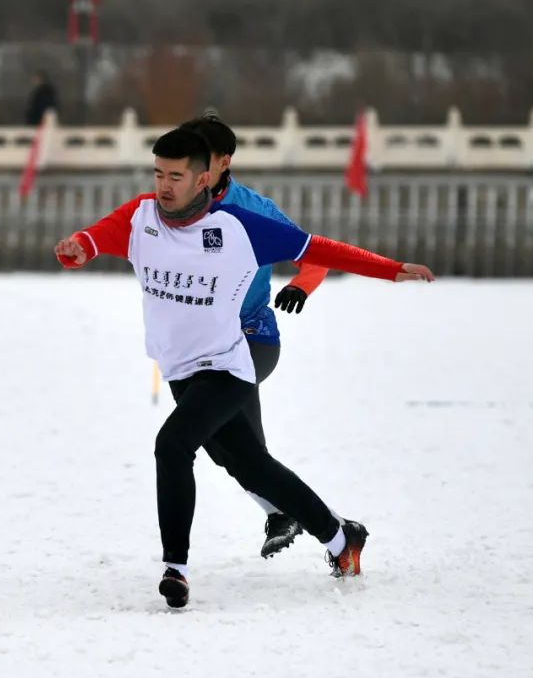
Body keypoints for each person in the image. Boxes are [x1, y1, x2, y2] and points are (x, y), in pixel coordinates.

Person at [54, 127, 433, 608]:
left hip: (230, 367)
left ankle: (176, 569)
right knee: (251, 467)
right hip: (180, 371)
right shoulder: (140, 216)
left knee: (172, 446)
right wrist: (77, 250)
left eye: (176, 175)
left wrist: (391, 268)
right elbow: (94, 239)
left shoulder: (239, 226)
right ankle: (341, 538)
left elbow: (319, 249)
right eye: (158, 174)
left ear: (204, 177)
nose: (164, 185)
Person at [181, 114, 331, 559]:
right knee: (236, 449)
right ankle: (321, 523)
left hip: (253, 339)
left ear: (223, 162)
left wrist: (300, 285)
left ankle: (297, 517)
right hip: (204, 348)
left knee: (206, 432)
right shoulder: (172, 210)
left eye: (198, 158)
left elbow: (317, 256)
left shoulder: (255, 211)